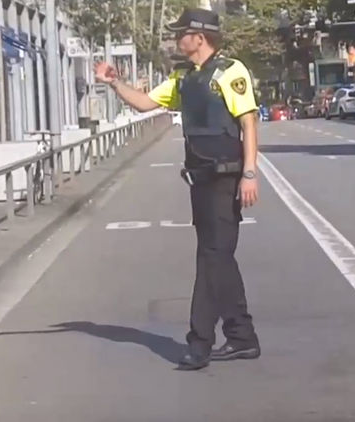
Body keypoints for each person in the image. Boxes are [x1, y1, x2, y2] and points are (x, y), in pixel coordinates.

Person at [93, 7, 261, 371]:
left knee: (211, 258)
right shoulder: (184, 78)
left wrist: (250, 173)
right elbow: (144, 103)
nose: (175, 38)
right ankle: (242, 336)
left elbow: (248, 122)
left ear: (199, 38)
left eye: (181, 33)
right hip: (198, 179)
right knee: (218, 256)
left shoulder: (230, 72)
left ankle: (199, 343)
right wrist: (114, 83)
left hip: (225, 178)